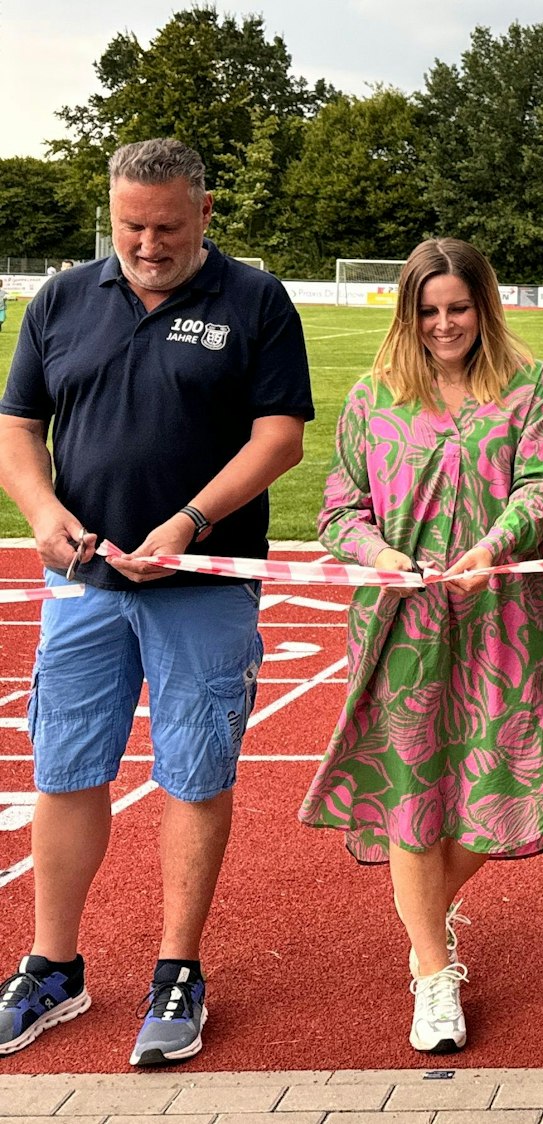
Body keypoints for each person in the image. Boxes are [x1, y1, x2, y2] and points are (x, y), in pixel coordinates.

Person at [0, 138, 312, 1065]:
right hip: (83, 585)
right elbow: (19, 427)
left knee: (194, 773)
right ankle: (55, 966)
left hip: (203, 587)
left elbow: (280, 438)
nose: (146, 243)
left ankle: (178, 968)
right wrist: (42, 510)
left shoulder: (254, 300)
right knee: (64, 768)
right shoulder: (60, 298)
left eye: (167, 227)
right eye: (131, 225)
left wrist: (188, 521)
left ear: (204, 214)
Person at [302, 237, 543, 1055]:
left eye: (457, 307)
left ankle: (423, 909)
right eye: (428, 310)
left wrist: (493, 547)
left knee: (508, 770)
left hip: (505, 613)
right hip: (402, 624)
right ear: (407, 312)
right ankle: (433, 972)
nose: (443, 324)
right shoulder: (372, 395)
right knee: (411, 788)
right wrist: (380, 557)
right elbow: (337, 510)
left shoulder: (529, 385)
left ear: (483, 305)